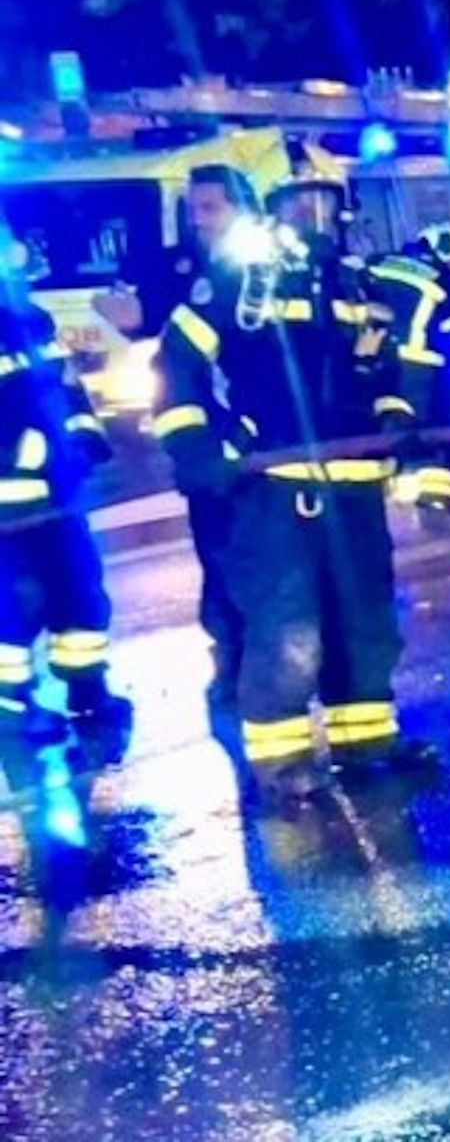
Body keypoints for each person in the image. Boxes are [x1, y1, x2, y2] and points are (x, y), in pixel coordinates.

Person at [152, 150, 417, 799]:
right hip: (275, 491)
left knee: (365, 624)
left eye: (324, 201)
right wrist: (199, 448)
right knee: (287, 630)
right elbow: (177, 365)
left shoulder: (359, 287)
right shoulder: (243, 282)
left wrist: (395, 419)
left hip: (354, 487)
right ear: (275, 210)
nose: (313, 215)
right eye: (300, 202)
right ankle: (282, 765)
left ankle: (367, 746)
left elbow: (385, 371)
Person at [131, 165, 261, 727]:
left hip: (267, 448)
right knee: (219, 553)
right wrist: (195, 451)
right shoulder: (187, 272)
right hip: (214, 455)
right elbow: (170, 358)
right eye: (195, 211)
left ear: (243, 208)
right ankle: (232, 658)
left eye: (211, 209)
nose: (199, 222)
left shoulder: (263, 270)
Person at [0, 232, 131, 779]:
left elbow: (67, 388)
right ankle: (11, 710)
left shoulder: (32, 320)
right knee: (13, 606)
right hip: (10, 506)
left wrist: (84, 434)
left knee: (79, 588)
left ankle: (88, 687)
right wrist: (21, 453)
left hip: (59, 495)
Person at [373, 223, 450, 531]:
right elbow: (447, 337)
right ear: (445, 252)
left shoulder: (381, 263)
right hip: (419, 369)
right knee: (440, 432)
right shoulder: (442, 282)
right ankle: (436, 507)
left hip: (376, 365)